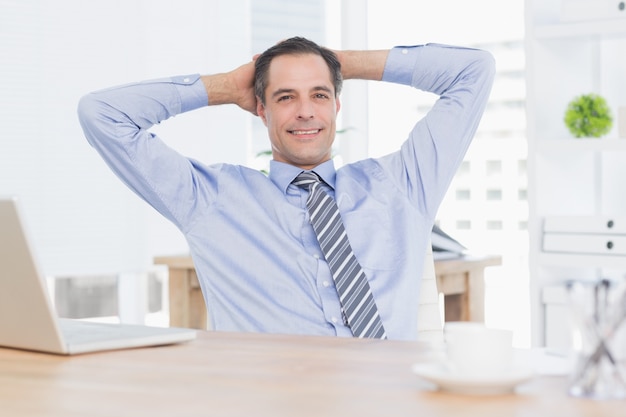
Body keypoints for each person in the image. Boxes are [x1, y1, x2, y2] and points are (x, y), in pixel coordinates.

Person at [78, 37, 495, 340]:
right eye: (285, 97)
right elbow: (101, 115)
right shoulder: (210, 200)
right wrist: (225, 85)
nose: (305, 112)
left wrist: (335, 61)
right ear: (260, 108)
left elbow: (473, 72)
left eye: (319, 93)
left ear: (336, 105)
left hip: (391, 398)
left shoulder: (403, 185)